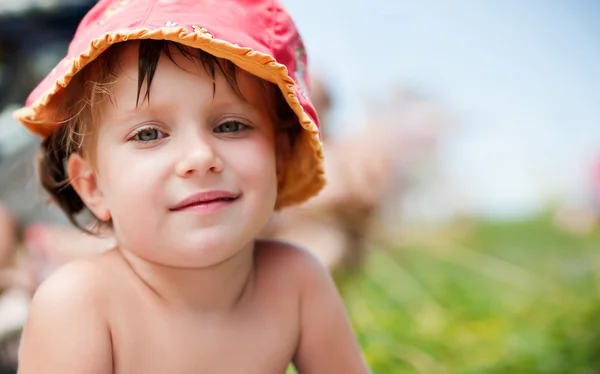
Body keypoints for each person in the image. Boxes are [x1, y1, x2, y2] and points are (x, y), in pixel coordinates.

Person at [13, 0, 370, 372]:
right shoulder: (80, 304)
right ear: (93, 186)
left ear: (279, 157)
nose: (201, 156)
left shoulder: (296, 282)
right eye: (149, 134)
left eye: (230, 125)